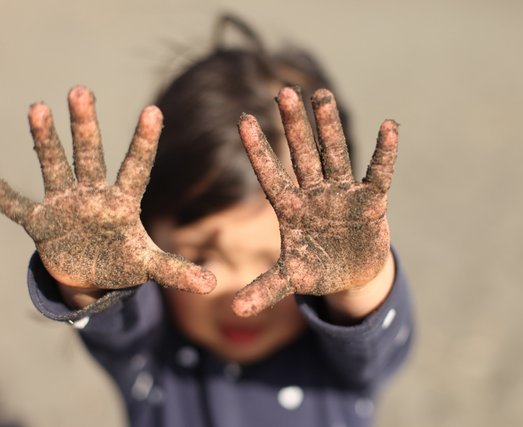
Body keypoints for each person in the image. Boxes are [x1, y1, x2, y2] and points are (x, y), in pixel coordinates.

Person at [0, 15, 413, 427]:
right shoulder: (149, 354)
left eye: (279, 260)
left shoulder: (340, 359)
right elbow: (120, 325)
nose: (241, 298)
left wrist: (361, 283)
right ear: (146, 230)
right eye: (202, 254)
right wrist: (98, 280)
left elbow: (374, 335)